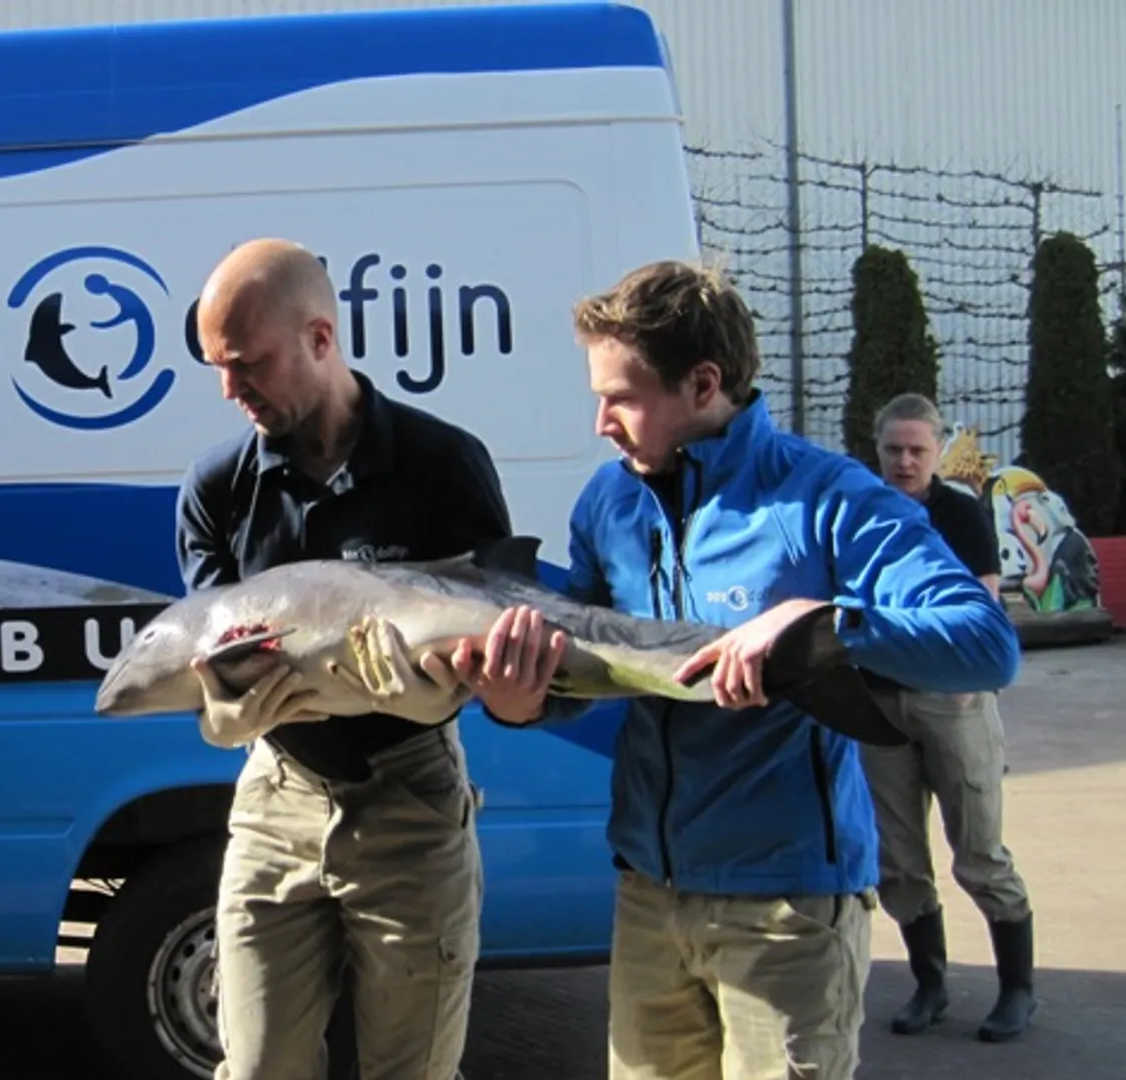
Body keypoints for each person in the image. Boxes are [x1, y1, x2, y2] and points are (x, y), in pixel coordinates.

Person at [346, 259, 1022, 1079]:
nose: (600, 422)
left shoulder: (826, 498)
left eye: (621, 397)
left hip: (786, 910)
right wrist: (521, 701)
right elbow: (583, 674)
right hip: (648, 898)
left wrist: (819, 621)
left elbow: (985, 641)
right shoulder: (609, 503)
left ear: (703, 384)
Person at [174, 237, 513, 1080]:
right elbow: (207, 663)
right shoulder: (216, 491)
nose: (229, 390)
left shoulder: (443, 466)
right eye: (218, 366)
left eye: (247, 363)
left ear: (321, 339)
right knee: (256, 1069)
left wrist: (438, 695)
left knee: (412, 1070)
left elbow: (492, 651)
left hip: (412, 798)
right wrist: (224, 712)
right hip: (276, 799)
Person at [863, 391, 1036, 1043]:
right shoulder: (860, 512)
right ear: (877, 448)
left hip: (951, 702)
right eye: (893, 450)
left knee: (980, 854)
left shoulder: (960, 516)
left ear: (936, 450)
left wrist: (964, 676)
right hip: (877, 706)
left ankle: (1018, 990)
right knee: (900, 862)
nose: (905, 462)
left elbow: (983, 609)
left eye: (917, 451)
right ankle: (929, 986)